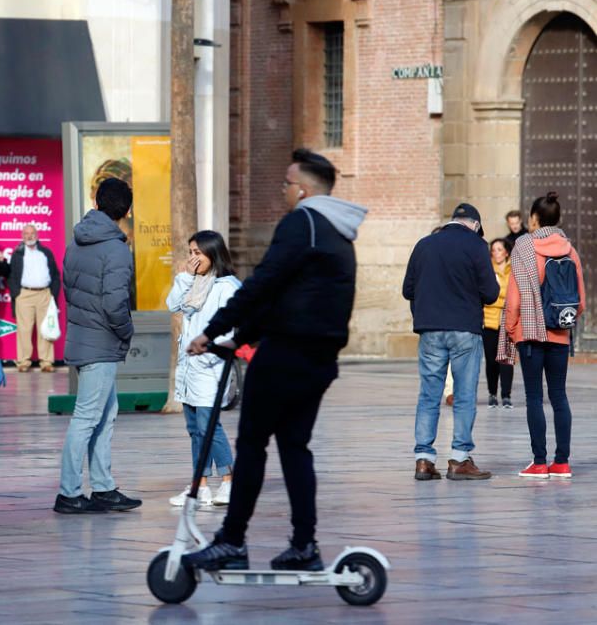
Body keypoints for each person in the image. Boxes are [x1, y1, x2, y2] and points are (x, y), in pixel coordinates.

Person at [183, 149, 367, 573]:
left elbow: (265, 282)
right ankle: (304, 544)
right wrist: (240, 338)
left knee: (251, 444)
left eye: (286, 183)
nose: (283, 190)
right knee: (294, 447)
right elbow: (289, 293)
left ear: (302, 189)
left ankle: (232, 540)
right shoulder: (338, 232)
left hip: (287, 354)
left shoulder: (302, 222)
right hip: (318, 358)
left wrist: (212, 331)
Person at [54, 178, 141, 514]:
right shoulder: (116, 248)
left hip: (81, 335)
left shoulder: (76, 242)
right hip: (102, 341)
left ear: (97, 201)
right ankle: (69, 492)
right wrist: (125, 331)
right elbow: (116, 302)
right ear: (126, 210)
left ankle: (103, 487)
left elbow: (71, 291)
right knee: (88, 417)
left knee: (105, 414)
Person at [403, 203, 499, 482]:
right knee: (465, 394)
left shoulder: (424, 244)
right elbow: (491, 293)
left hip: (430, 328)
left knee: (429, 395)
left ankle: (424, 459)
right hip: (465, 329)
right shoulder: (477, 246)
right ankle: (459, 459)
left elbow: (407, 289)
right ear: (476, 225)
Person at [498, 192, 585, 479]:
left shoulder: (523, 246)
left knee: (534, 397)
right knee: (559, 396)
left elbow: (513, 299)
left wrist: (512, 329)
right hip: (560, 334)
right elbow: (580, 301)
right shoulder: (570, 249)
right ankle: (562, 462)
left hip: (531, 335)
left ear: (534, 219)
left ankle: (539, 462)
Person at [166, 231, 241, 507]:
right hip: (189, 368)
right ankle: (200, 485)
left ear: (213, 253)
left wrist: (209, 354)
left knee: (209, 426)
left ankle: (229, 482)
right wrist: (186, 277)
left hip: (209, 367)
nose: (193, 258)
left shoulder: (227, 286)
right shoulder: (194, 282)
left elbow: (227, 329)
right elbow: (172, 304)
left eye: (198, 253)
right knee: (194, 429)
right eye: (191, 252)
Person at [8, 223, 62, 372]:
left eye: (32, 233)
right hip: (24, 294)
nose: (29, 236)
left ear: (37, 235)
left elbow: (55, 275)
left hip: (44, 294)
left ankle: (46, 362)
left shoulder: (46, 252)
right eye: (26, 233)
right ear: (22, 236)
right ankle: (23, 362)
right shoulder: (18, 253)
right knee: (24, 330)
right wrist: (16, 294)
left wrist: (53, 294)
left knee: (45, 329)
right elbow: (11, 275)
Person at [483, 238, 514, 409]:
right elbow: (487, 294)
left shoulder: (513, 270)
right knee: (491, 360)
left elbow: (513, 294)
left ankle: (506, 395)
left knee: (507, 360)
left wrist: (498, 296)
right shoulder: (487, 270)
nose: (496, 253)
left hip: (507, 320)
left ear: (506, 252)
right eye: (493, 250)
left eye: (500, 249)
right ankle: (492, 393)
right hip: (489, 320)